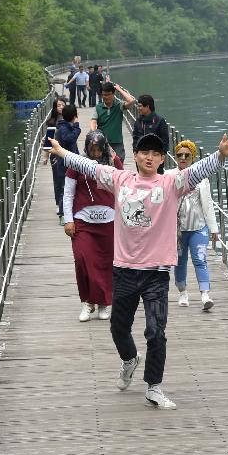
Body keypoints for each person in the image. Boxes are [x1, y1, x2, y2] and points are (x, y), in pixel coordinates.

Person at [47, 129, 228, 410]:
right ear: (136, 156)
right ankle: (130, 359)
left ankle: (154, 386)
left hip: (156, 272)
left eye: (155, 154)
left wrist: (220, 156)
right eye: (144, 153)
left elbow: (199, 170)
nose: (149, 157)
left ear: (162, 158)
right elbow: (90, 166)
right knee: (118, 328)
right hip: (124, 269)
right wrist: (63, 152)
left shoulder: (171, 183)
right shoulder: (121, 179)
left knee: (156, 331)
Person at [63, 130, 124, 322]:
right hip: (83, 221)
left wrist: (114, 156)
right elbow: (68, 194)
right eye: (92, 149)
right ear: (87, 148)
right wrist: (68, 219)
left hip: (108, 221)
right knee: (83, 260)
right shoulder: (77, 165)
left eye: (99, 149)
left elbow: (124, 185)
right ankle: (87, 302)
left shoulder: (113, 164)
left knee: (106, 263)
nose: (96, 153)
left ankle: (104, 303)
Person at [173, 140, 219, 310]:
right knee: (180, 261)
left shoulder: (202, 179)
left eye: (187, 155)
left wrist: (213, 228)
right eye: (180, 155)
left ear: (193, 158)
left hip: (199, 227)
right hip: (178, 230)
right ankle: (182, 292)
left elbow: (207, 204)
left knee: (200, 259)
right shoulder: (171, 176)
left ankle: (205, 294)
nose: (183, 158)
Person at [91, 82, 135, 160]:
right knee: (104, 166)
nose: (106, 97)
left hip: (117, 142)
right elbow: (93, 122)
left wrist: (119, 89)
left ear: (113, 94)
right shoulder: (98, 108)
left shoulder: (119, 105)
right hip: (103, 142)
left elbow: (131, 101)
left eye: (108, 94)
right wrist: (94, 135)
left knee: (119, 165)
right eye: (104, 95)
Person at [53, 104, 81, 225]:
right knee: (64, 188)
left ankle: (71, 212)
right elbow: (69, 139)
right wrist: (77, 127)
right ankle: (62, 214)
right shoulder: (64, 128)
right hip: (64, 163)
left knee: (72, 187)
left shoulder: (64, 126)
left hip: (72, 162)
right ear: (74, 116)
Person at [131, 94, 169, 174]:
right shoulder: (138, 121)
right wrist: (136, 152)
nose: (138, 109)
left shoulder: (159, 121)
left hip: (155, 157)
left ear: (147, 106)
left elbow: (165, 140)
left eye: (140, 106)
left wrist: (162, 155)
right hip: (141, 157)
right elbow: (135, 138)